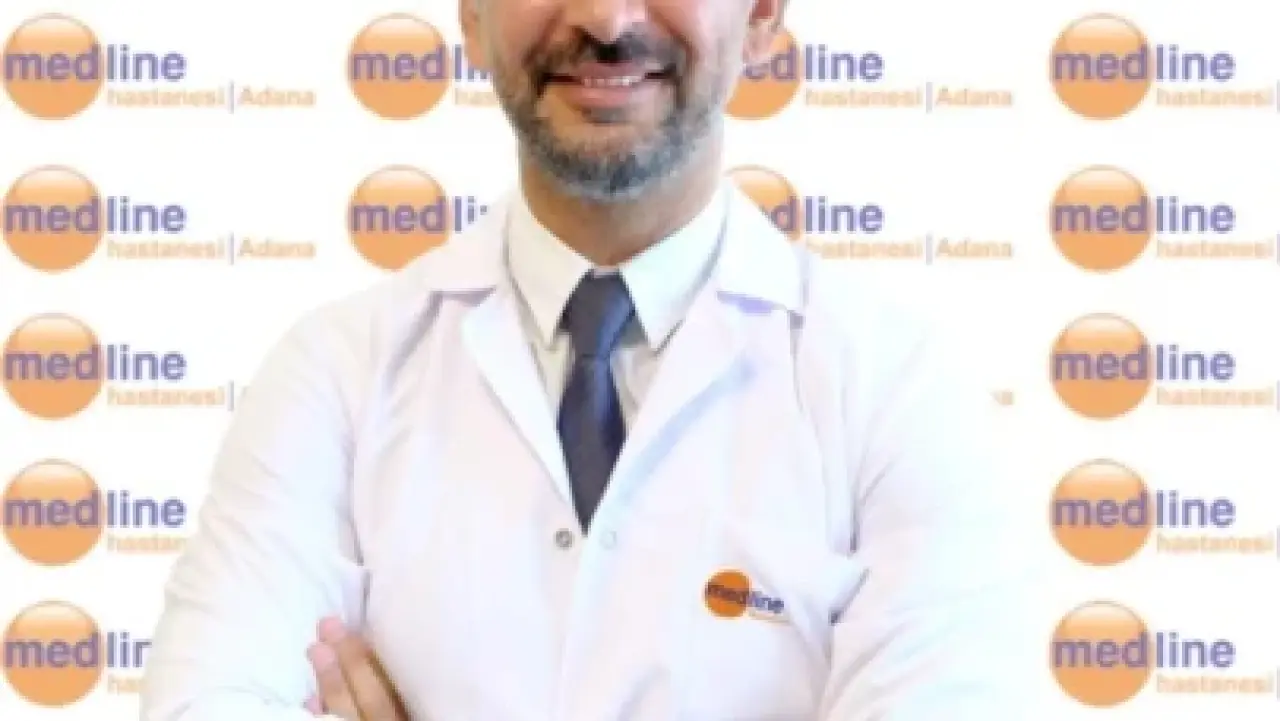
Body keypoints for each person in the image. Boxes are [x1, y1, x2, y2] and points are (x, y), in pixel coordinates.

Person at [141, 0, 1042, 719]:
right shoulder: (335, 373)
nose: (608, 20)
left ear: (764, 13)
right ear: (471, 16)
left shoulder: (897, 389)